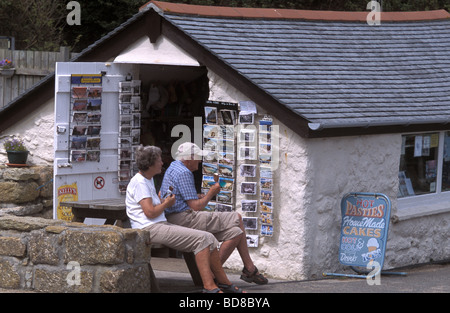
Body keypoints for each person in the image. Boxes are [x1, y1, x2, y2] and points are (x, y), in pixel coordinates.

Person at [126, 145, 245, 293]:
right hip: (149, 229)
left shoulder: (148, 179)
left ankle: (223, 283)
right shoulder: (139, 182)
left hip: (159, 224)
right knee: (203, 239)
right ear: (150, 164)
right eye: (159, 160)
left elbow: (152, 207)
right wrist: (166, 204)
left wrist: (163, 201)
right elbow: (150, 212)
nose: (162, 163)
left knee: (209, 238)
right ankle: (209, 286)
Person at [160, 142, 268, 285]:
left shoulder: (174, 166)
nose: (200, 160)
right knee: (237, 217)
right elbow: (196, 207)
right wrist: (211, 193)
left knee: (236, 232)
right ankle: (242, 269)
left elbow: (180, 196)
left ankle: (229, 271)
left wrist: (197, 195)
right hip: (184, 218)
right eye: (197, 157)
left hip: (175, 217)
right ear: (189, 158)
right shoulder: (184, 173)